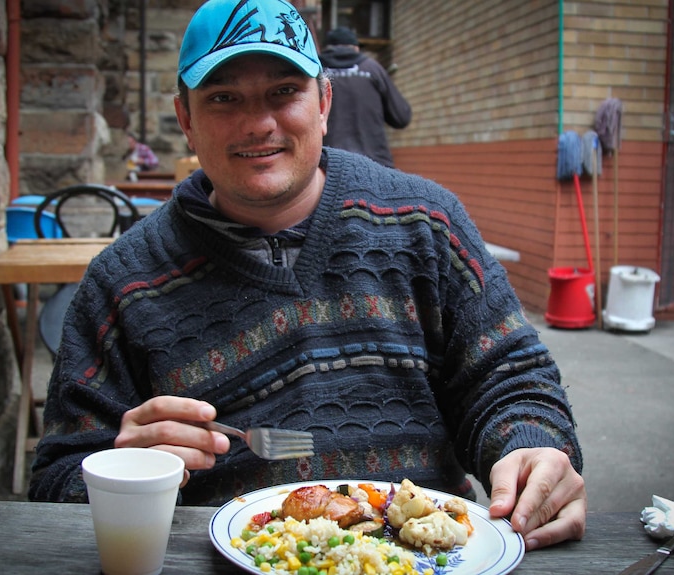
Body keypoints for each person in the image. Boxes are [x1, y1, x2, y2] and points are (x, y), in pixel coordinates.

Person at [29, 0, 586, 552]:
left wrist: (531, 446)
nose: (258, 123)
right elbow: (55, 479)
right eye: (224, 97)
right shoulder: (122, 281)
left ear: (323, 102)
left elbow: (511, 377)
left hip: (425, 556)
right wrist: (125, 475)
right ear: (186, 120)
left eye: (283, 92)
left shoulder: (426, 222)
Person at [319, 26, 411, 167]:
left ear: (327, 48)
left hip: (328, 165)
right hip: (374, 165)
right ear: (355, 48)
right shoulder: (372, 68)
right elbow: (401, 117)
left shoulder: (315, 70)